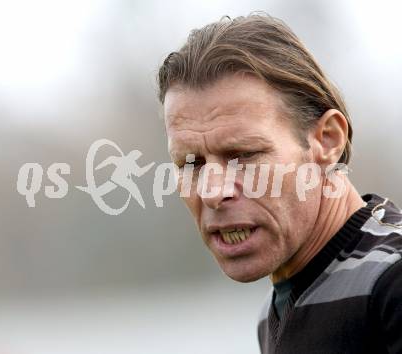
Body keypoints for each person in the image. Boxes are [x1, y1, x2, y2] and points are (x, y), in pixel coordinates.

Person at [156, 14, 402, 354]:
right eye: (191, 163)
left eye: (243, 155)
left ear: (327, 141)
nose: (213, 191)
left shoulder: (391, 282)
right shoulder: (277, 312)